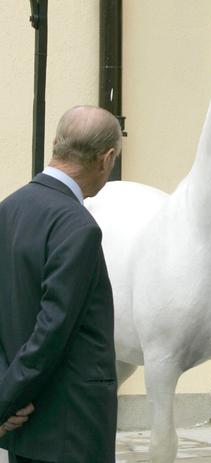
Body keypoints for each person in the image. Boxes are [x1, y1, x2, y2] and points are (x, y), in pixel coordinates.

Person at [0, 105, 122, 463]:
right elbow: (51, 331)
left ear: (55, 143)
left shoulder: (8, 210)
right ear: (107, 159)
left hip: (23, 424)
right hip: (71, 430)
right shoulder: (78, 226)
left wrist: (6, 394)